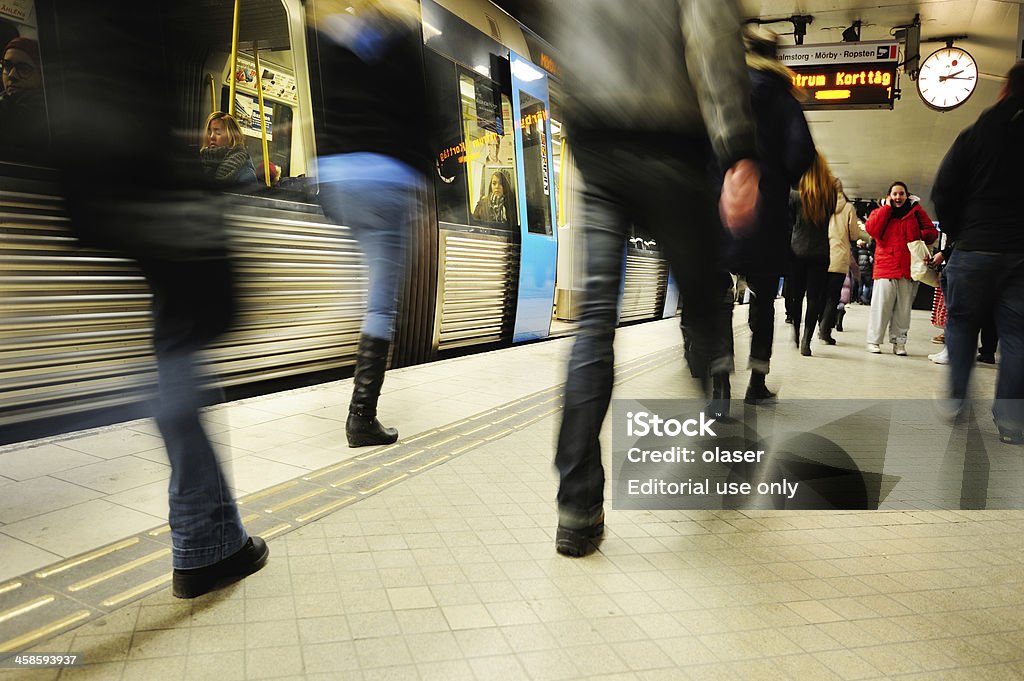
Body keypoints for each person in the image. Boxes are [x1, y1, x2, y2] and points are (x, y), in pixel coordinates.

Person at [47, 3, 267, 598]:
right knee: (175, 362)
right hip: (139, 174)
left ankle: (215, 540)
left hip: (101, 178)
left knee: (172, 355)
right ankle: (204, 545)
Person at [547, 0, 759, 557]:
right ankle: (718, 412)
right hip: (668, 145)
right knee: (704, 297)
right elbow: (711, 34)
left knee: (594, 324)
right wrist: (737, 150)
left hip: (594, 146)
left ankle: (577, 504)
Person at [308, 0, 429, 447]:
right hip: (386, 180)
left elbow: (324, 110)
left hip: (341, 178)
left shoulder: (333, 33)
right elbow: (422, 119)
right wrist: (418, 180)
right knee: (380, 304)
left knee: (364, 284)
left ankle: (349, 304)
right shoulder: (403, 40)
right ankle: (362, 417)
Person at [931, 61, 1024, 445]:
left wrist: (959, 231)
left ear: (1004, 89)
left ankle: (956, 397)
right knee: (1018, 337)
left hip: (975, 246)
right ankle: (1012, 421)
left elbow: (943, 190)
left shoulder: (977, 133)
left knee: (963, 324)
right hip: (1021, 254)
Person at [726, 27, 815, 403]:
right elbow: (801, 156)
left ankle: (717, 384)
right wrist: (775, 172)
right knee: (764, 298)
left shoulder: (723, 89)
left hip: (722, 204)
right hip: (765, 210)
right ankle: (756, 382)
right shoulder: (784, 99)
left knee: (716, 294)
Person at [864, 181, 937, 355]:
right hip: (886, 268)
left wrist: (918, 234)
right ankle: (874, 341)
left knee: (903, 311)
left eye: (901, 194)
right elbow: (872, 230)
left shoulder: (916, 213)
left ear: (907, 195)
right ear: (889, 196)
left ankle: (899, 343)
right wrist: (886, 209)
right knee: (881, 308)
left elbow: (932, 233)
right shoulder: (880, 211)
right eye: (895, 194)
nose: (898, 197)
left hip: (908, 269)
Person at [788, 151, 836, 357]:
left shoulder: (794, 195)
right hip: (820, 252)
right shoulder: (830, 194)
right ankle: (807, 340)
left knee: (796, 296)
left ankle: (797, 333)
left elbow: (788, 220)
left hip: (797, 251)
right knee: (814, 298)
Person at [819, 178, 867, 344]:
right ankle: (825, 331)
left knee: (820, 295)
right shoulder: (848, 208)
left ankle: (817, 327)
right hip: (838, 257)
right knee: (833, 297)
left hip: (820, 255)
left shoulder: (819, 206)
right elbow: (854, 235)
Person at [0, 36, 47, 149]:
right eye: (7, 66)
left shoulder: (40, 110)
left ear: (41, 75)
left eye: (23, 69)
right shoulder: (8, 99)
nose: (11, 75)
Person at [199, 111, 259, 187]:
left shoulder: (245, 172)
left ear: (232, 137)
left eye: (218, 133)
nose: (211, 137)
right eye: (209, 133)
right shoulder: (200, 163)